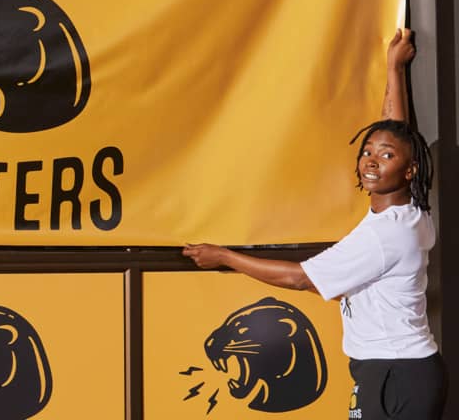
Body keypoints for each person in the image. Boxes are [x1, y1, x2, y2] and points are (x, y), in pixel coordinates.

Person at [183, 29, 447, 420]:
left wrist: (223, 256)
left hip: (394, 373)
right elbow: (396, 134)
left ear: (408, 171)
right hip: (401, 369)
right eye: (367, 152)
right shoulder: (409, 210)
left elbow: (299, 279)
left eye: (385, 156)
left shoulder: (386, 235)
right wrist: (393, 69)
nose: (372, 160)